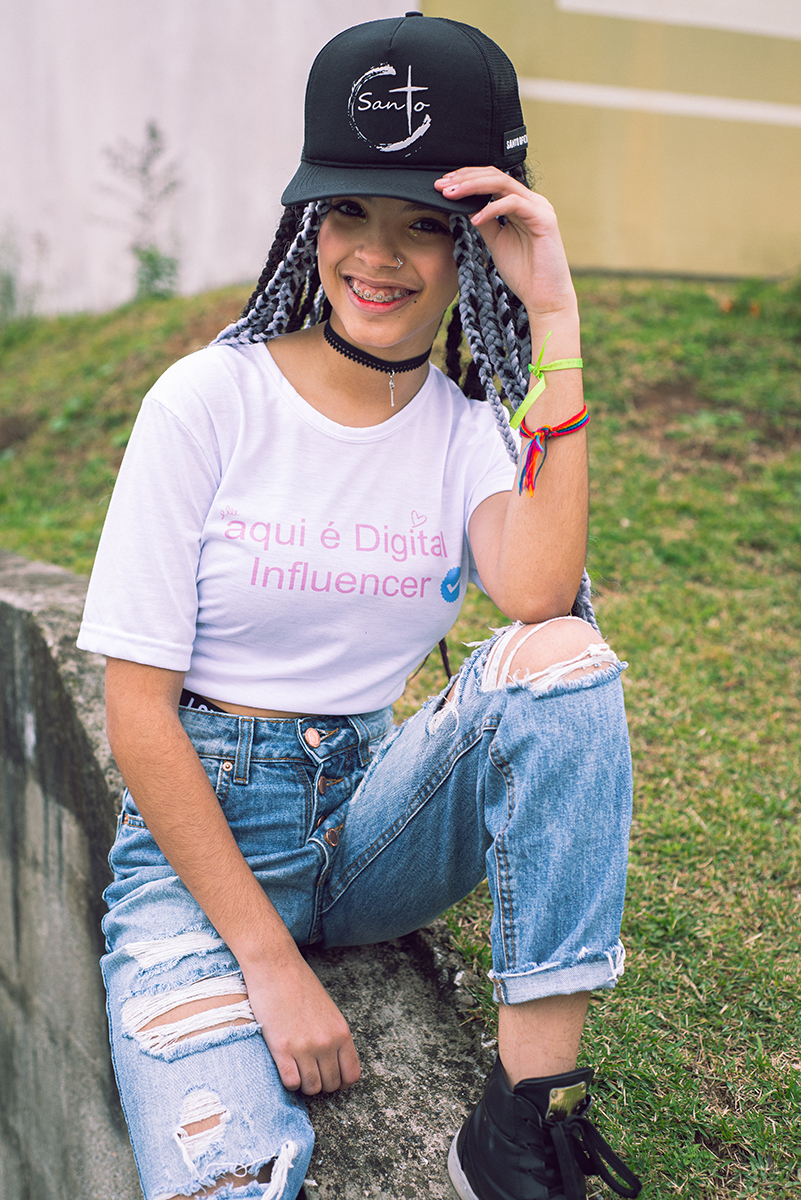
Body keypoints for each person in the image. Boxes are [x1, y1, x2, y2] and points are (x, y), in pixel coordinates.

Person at [77, 12, 643, 1200]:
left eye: (424, 226)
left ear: (471, 247)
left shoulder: (465, 431)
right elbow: (135, 717)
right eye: (347, 213)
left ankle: (522, 1121)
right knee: (223, 1177)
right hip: (201, 852)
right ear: (307, 224)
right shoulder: (206, 402)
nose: (376, 257)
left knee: (568, 660)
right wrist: (271, 968)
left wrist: (556, 320)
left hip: (370, 826)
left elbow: (538, 596)